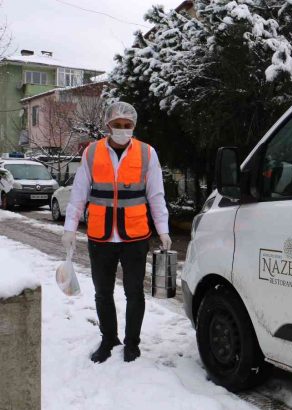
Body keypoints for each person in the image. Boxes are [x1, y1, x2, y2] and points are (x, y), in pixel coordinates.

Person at [61, 101, 171, 363]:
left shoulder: (147, 153)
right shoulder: (92, 152)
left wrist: (163, 230)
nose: (122, 129)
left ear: (133, 126)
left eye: (127, 125)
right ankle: (108, 339)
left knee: (134, 293)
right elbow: (79, 194)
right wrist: (69, 228)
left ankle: (132, 344)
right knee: (102, 293)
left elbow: (156, 196)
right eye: (117, 125)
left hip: (135, 237)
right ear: (108, 125)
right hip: (100, 237)